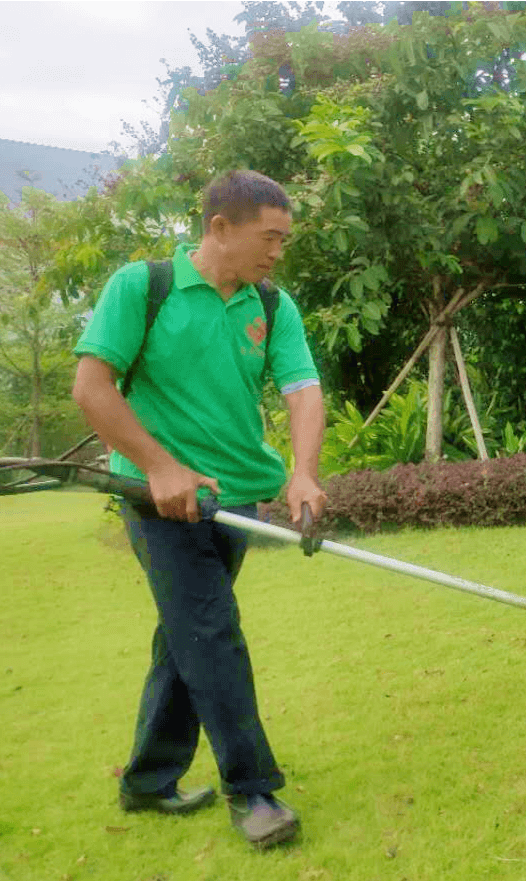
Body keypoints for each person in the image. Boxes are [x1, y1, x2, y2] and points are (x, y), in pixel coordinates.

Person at [71, 169, 327, 849]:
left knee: (184, 633)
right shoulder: (142, 287)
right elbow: (92, 387)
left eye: (284, 240)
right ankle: (254, 789)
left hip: (236, 496)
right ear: (220, 227)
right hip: (157, 501)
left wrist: (302, 473)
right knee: (211, 629)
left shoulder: (271, 305)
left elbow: (302, 388)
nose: (278, 251)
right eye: (269, 237)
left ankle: (149, 779)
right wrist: (159, 466)